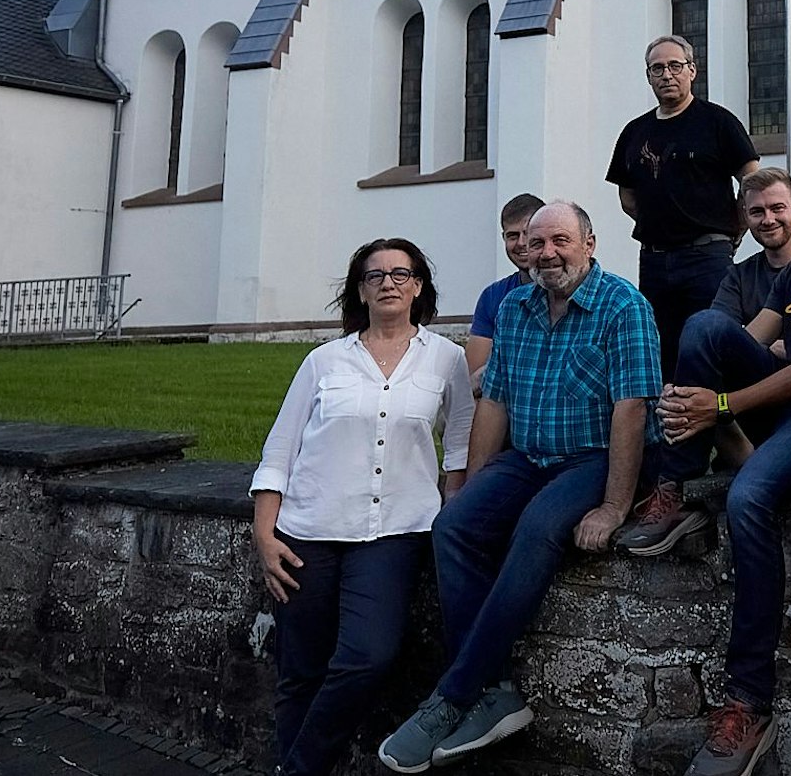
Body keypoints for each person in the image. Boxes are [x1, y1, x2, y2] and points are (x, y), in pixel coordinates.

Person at [379, 201, 661, 773]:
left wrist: (613, 505)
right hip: (529, 456)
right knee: (455, 527)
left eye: (560, 240)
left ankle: (452, 697)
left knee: (536, 528)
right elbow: (496, 401)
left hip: (595, 457)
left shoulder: (623, 306)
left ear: (589, 242)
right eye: (536, 244)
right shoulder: (515, 306)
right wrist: (473, 486)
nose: (547, 253)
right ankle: (498, 691)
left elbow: (631, 411)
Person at [625, 150, 791, 776]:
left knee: (747, 499)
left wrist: (723, 404)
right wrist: (692, 395)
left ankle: (748, 702)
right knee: (705, 326)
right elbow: (751, 340)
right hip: (780, 400)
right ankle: (673, 487)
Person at [250, 238, 474, 776]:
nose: (389, 283)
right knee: (300, 669)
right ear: (360, 290)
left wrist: (455, 514)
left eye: (402, 274)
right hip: (308, 529)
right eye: (376, 276)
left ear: (419, 286)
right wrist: (264, 532)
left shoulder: (446, 358)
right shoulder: (324, 360)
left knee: (367, 656)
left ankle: (297, 769)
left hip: (394, 531)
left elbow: (461, 448)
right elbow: (281, 448)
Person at [607, 35, 759, 378]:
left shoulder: (718, 122)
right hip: (655, 260)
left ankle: (721, 424)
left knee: (710, 343)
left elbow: (752, 181)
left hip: (707, 257)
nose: (667, 74)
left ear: (692, 71)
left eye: (675, 66)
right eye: (657, 68)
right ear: (648, 76)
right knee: (661, 348)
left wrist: (736, 227)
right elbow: (627, 197)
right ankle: (670, 426)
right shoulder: (634, 132)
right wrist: (663, 220)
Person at [466, 192, 547, 391]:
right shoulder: (493, 296)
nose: (521, 243)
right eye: (512, 235)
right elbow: (473, 380)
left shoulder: (567, 289)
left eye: (528, 234)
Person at [707, 167, 791, 328]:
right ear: (746, 216)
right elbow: (718, 335)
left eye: (777, 208)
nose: (768, 220)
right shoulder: (739, 277)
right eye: (757, 212)